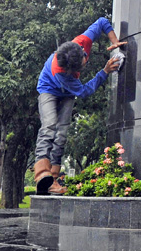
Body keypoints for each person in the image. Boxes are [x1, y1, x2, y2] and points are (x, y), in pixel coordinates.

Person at [34, 17, 126, 195]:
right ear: (69, 70)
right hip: (48, 89)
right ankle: (41, 173)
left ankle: (52, 179)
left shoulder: (82, 41)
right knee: (50, 126)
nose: (85, 62)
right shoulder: (61, 72)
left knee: (61, 133)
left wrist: (114, 42)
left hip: (66, 92)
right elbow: (84, 91)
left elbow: (102, 22)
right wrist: (105, 71)